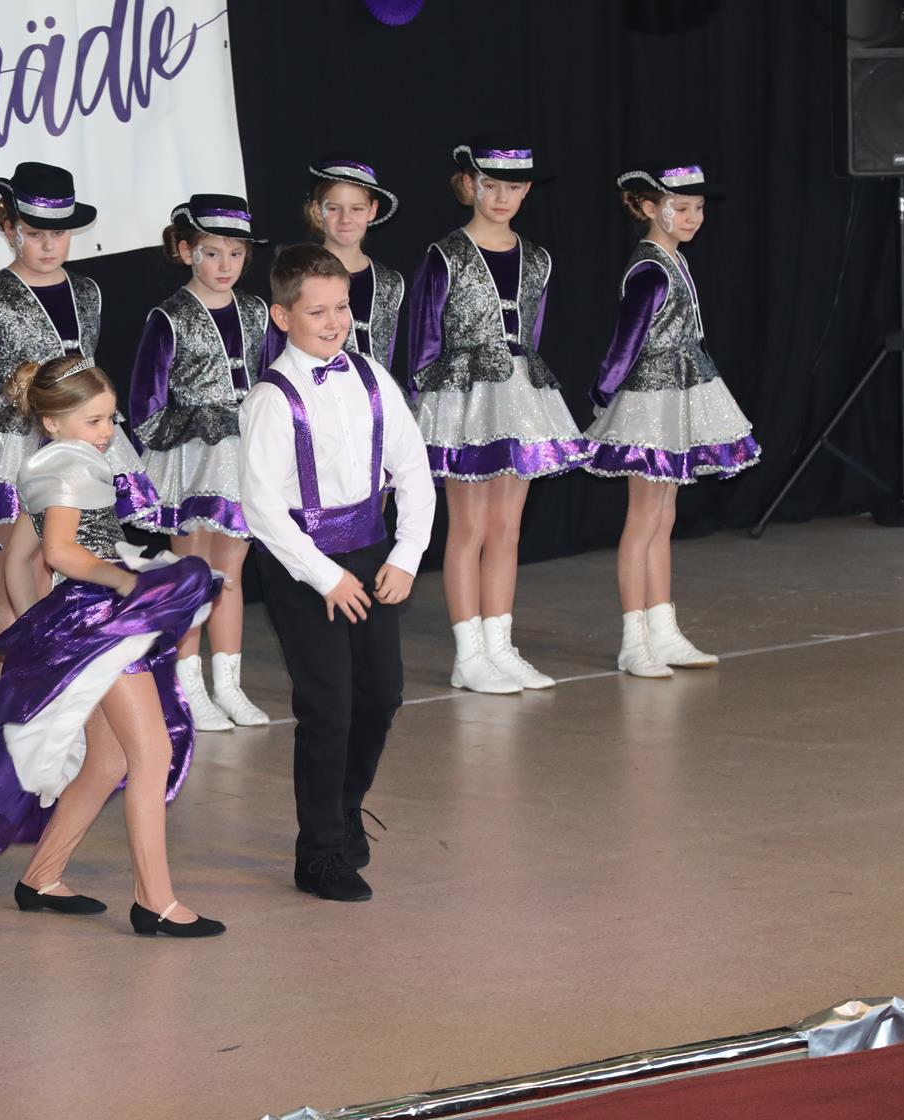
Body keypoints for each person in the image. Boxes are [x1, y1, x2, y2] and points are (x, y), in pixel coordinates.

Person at [0, 354, 225, 938]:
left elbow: (21, 559)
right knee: (151, 752)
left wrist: (39, 625)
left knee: (109, 759)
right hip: (100, 618)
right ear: (53, 421)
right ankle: (154, 901)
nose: (107, 433)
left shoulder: (50, 463)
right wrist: (125, 582)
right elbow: (59, 552)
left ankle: (42, 877)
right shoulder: (71, 465)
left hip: (83, 616)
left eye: (111, 419)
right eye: (94, 421)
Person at [240, 244, 435, 902]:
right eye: (317, 311)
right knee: (328, 707)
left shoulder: (372, 376)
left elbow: (412, 468)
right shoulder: (272, 400)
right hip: (302, 564)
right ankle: (318, 853)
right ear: (282, 317)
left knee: (380, 695)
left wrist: (405, 554)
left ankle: (346, 803)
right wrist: (325, 576)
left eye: (342, 308)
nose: (334, 322)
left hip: (371, 552)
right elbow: (262, 508)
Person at [0, 161, 160, 645]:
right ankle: (18, 682)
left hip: (79, 446)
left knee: (69, 567)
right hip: (11, 453)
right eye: (35, 234)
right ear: (9, 229)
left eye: (58, 235)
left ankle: (62, 672)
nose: (47, 246)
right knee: (18, 575)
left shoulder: (86, 291)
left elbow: (88, 371)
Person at [407, 137, 590, 695]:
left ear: (527, 190)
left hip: (518, 396)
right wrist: (424, 411)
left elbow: (531, 334)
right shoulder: (445, 254)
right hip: (463, 399)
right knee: (469, 527)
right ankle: (469, 654)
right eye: (492, 185)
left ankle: (500, 645)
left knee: (508, 527)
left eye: (514, 186)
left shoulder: (538, 259)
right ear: (471, 185)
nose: (503, 196)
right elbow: (423, 341)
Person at [585, 161, 760, 676]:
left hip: (676, 393)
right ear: (648, 208)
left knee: (664, 517)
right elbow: (626, 343)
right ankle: (633, 640)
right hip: (650, 403)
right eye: (680, 207)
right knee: (644, 519)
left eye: (698, 208)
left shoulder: (673, 260)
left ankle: (663, 630)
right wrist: (603, 394)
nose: (692, 217)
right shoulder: (650, 269)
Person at [127, 194, 271, 732]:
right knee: (191, 570)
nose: (225, 265)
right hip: (191, 458)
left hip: (244, 452)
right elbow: (146, 400)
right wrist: (173, 446)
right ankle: (187, 688)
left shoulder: (256, 311)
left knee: (231, 570)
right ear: (188, 252)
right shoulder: (169, 316)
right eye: (212, 253)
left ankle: (228, 684)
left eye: (236, 253)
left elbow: (270, 377)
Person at [264, 155, 403, 370]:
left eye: (357, 209)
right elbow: (278, 349)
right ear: (317, 210)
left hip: (379, 390)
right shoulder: (299, 274)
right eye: (334, 208)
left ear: (372, 210)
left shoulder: (391, 282)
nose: (346, 219)